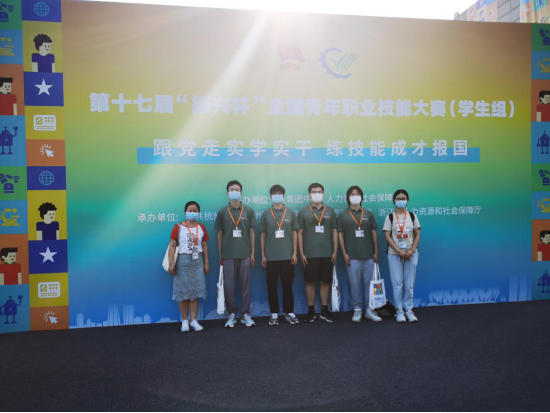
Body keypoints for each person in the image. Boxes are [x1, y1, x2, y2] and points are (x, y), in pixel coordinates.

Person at [215, 180, 257, 328]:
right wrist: (220, 254)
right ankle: (232, 313)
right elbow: (220, 234)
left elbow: (251, 233)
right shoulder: (222, 212)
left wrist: (252, 253)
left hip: (245, 253)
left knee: (245, 285)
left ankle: (245, 313)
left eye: (237, 189)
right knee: (229, 286)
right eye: (232, 189)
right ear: (227, 193)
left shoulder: (248, 211)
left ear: (241, 192)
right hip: (228, 254)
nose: (234, 192)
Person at [338, 186, 381, 323]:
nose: (355, 196)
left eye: (357, 194)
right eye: (352, 194)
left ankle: (369, 309)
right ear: (348, 197)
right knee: (355, 284)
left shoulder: (368, 213)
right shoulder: (343, 214)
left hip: (369, 255)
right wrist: (344, 253)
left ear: (362, 197)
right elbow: (340, 234)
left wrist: (376, 251)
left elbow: (373, 232)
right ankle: (357, 309)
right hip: (352, 256)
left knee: (369, 284)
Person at [298, 183, 338, 323]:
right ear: (309, 194)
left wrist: (335, 251)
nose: (317, 194)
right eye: (314, 192)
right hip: (309, 253)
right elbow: (300, 233)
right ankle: (311, 311)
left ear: (323, 193)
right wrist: (301, 253)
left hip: (327, 253)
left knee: (325, 282)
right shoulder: (303, 212)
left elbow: (334, 231)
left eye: (319, 191)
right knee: (310, 282)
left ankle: (324, 310)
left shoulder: (330, 211)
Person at [260, 185, 300, 326]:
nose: (277, 196)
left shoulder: (290, 213)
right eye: (274, 194)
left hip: (287, 256)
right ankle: (274, 313)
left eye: (280, 193)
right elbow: (263, 235)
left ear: (283, 196)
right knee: (271, 286)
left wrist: (294, 253)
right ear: (270, 197)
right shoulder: (266, 214)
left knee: (287, 285)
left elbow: (295, 233)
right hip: (271, 256)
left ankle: (289, 312)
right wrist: (263, 255)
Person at [168, 201, 210, 333]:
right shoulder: (178, 227)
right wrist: (171, 263)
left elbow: (204, 246)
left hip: (197, 263)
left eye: (195, 210)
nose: (192, 212)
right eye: (190, 210)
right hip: (182, 262)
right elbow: (172, 245)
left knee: (195, 292)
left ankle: (193, 320)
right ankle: (185, 320)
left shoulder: (201, 227)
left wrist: (206, 262)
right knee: (182, 293)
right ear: (185, 212)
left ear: (199, 213)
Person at [383, 190, 421, 323]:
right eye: (398, 198)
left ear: (407, 200)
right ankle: (399, 311)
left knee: (409, 285)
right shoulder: (390, 217)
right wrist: (399, 251)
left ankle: (409, 310)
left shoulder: (412, 216)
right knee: (397, 284)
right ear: (394, 200)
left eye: (403, 198)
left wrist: (412, 250)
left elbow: (417, 234)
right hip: (394, 254)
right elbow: (387, 236)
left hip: (411, 253)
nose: (401, 201)